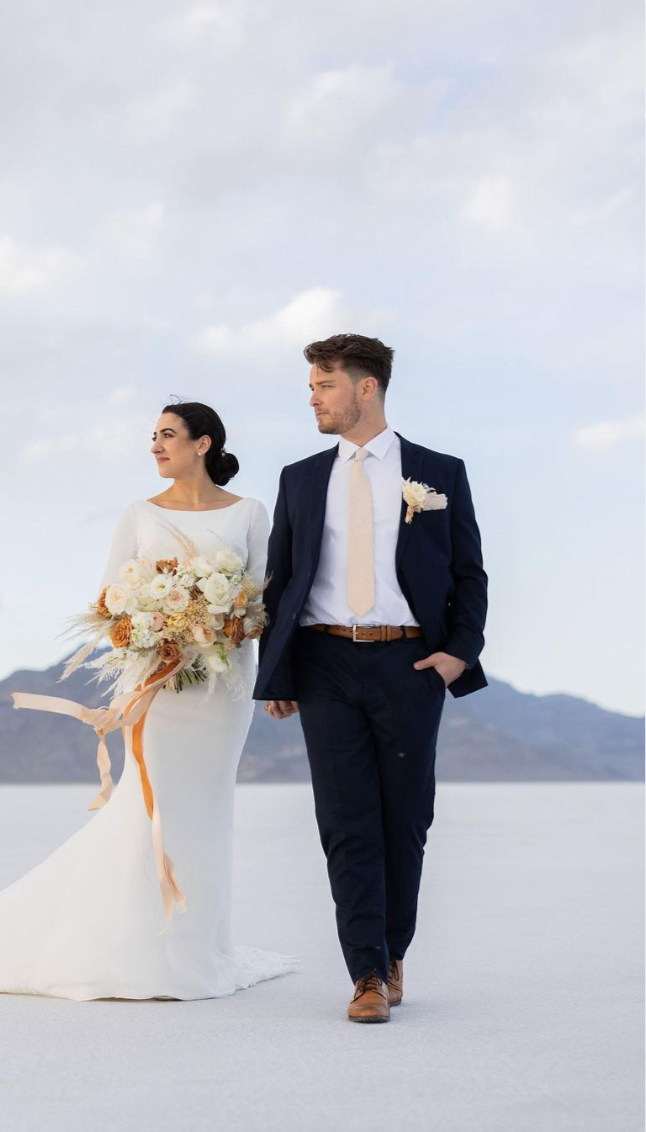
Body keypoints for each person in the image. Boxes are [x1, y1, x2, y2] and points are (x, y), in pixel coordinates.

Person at [0, 399, 299, 1000]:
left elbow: (264, 599)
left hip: (222, 686)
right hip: (154, 681)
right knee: (148, 805)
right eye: (154, 436)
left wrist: (220, 622)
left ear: (204, 444)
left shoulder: (249, 512)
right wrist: (159, 620)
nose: (155, 446)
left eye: (168, 435)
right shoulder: (139, 513)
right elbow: (111, 599)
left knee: (208, 805)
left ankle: (195, 946)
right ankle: (133, 943)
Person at [255, 334, 488, 1023]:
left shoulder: (437, 471)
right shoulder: (299, 477)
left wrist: (456, 653)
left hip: (408, 662)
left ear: (365, 388)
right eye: (310, 386)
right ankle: (364, 972)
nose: (312, 398)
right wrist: (280, 671)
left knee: (404, 819)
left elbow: (469, 573)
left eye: (323, 385)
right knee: (344, 821)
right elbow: (282, 576)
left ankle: (392, 954)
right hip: (324, 661)